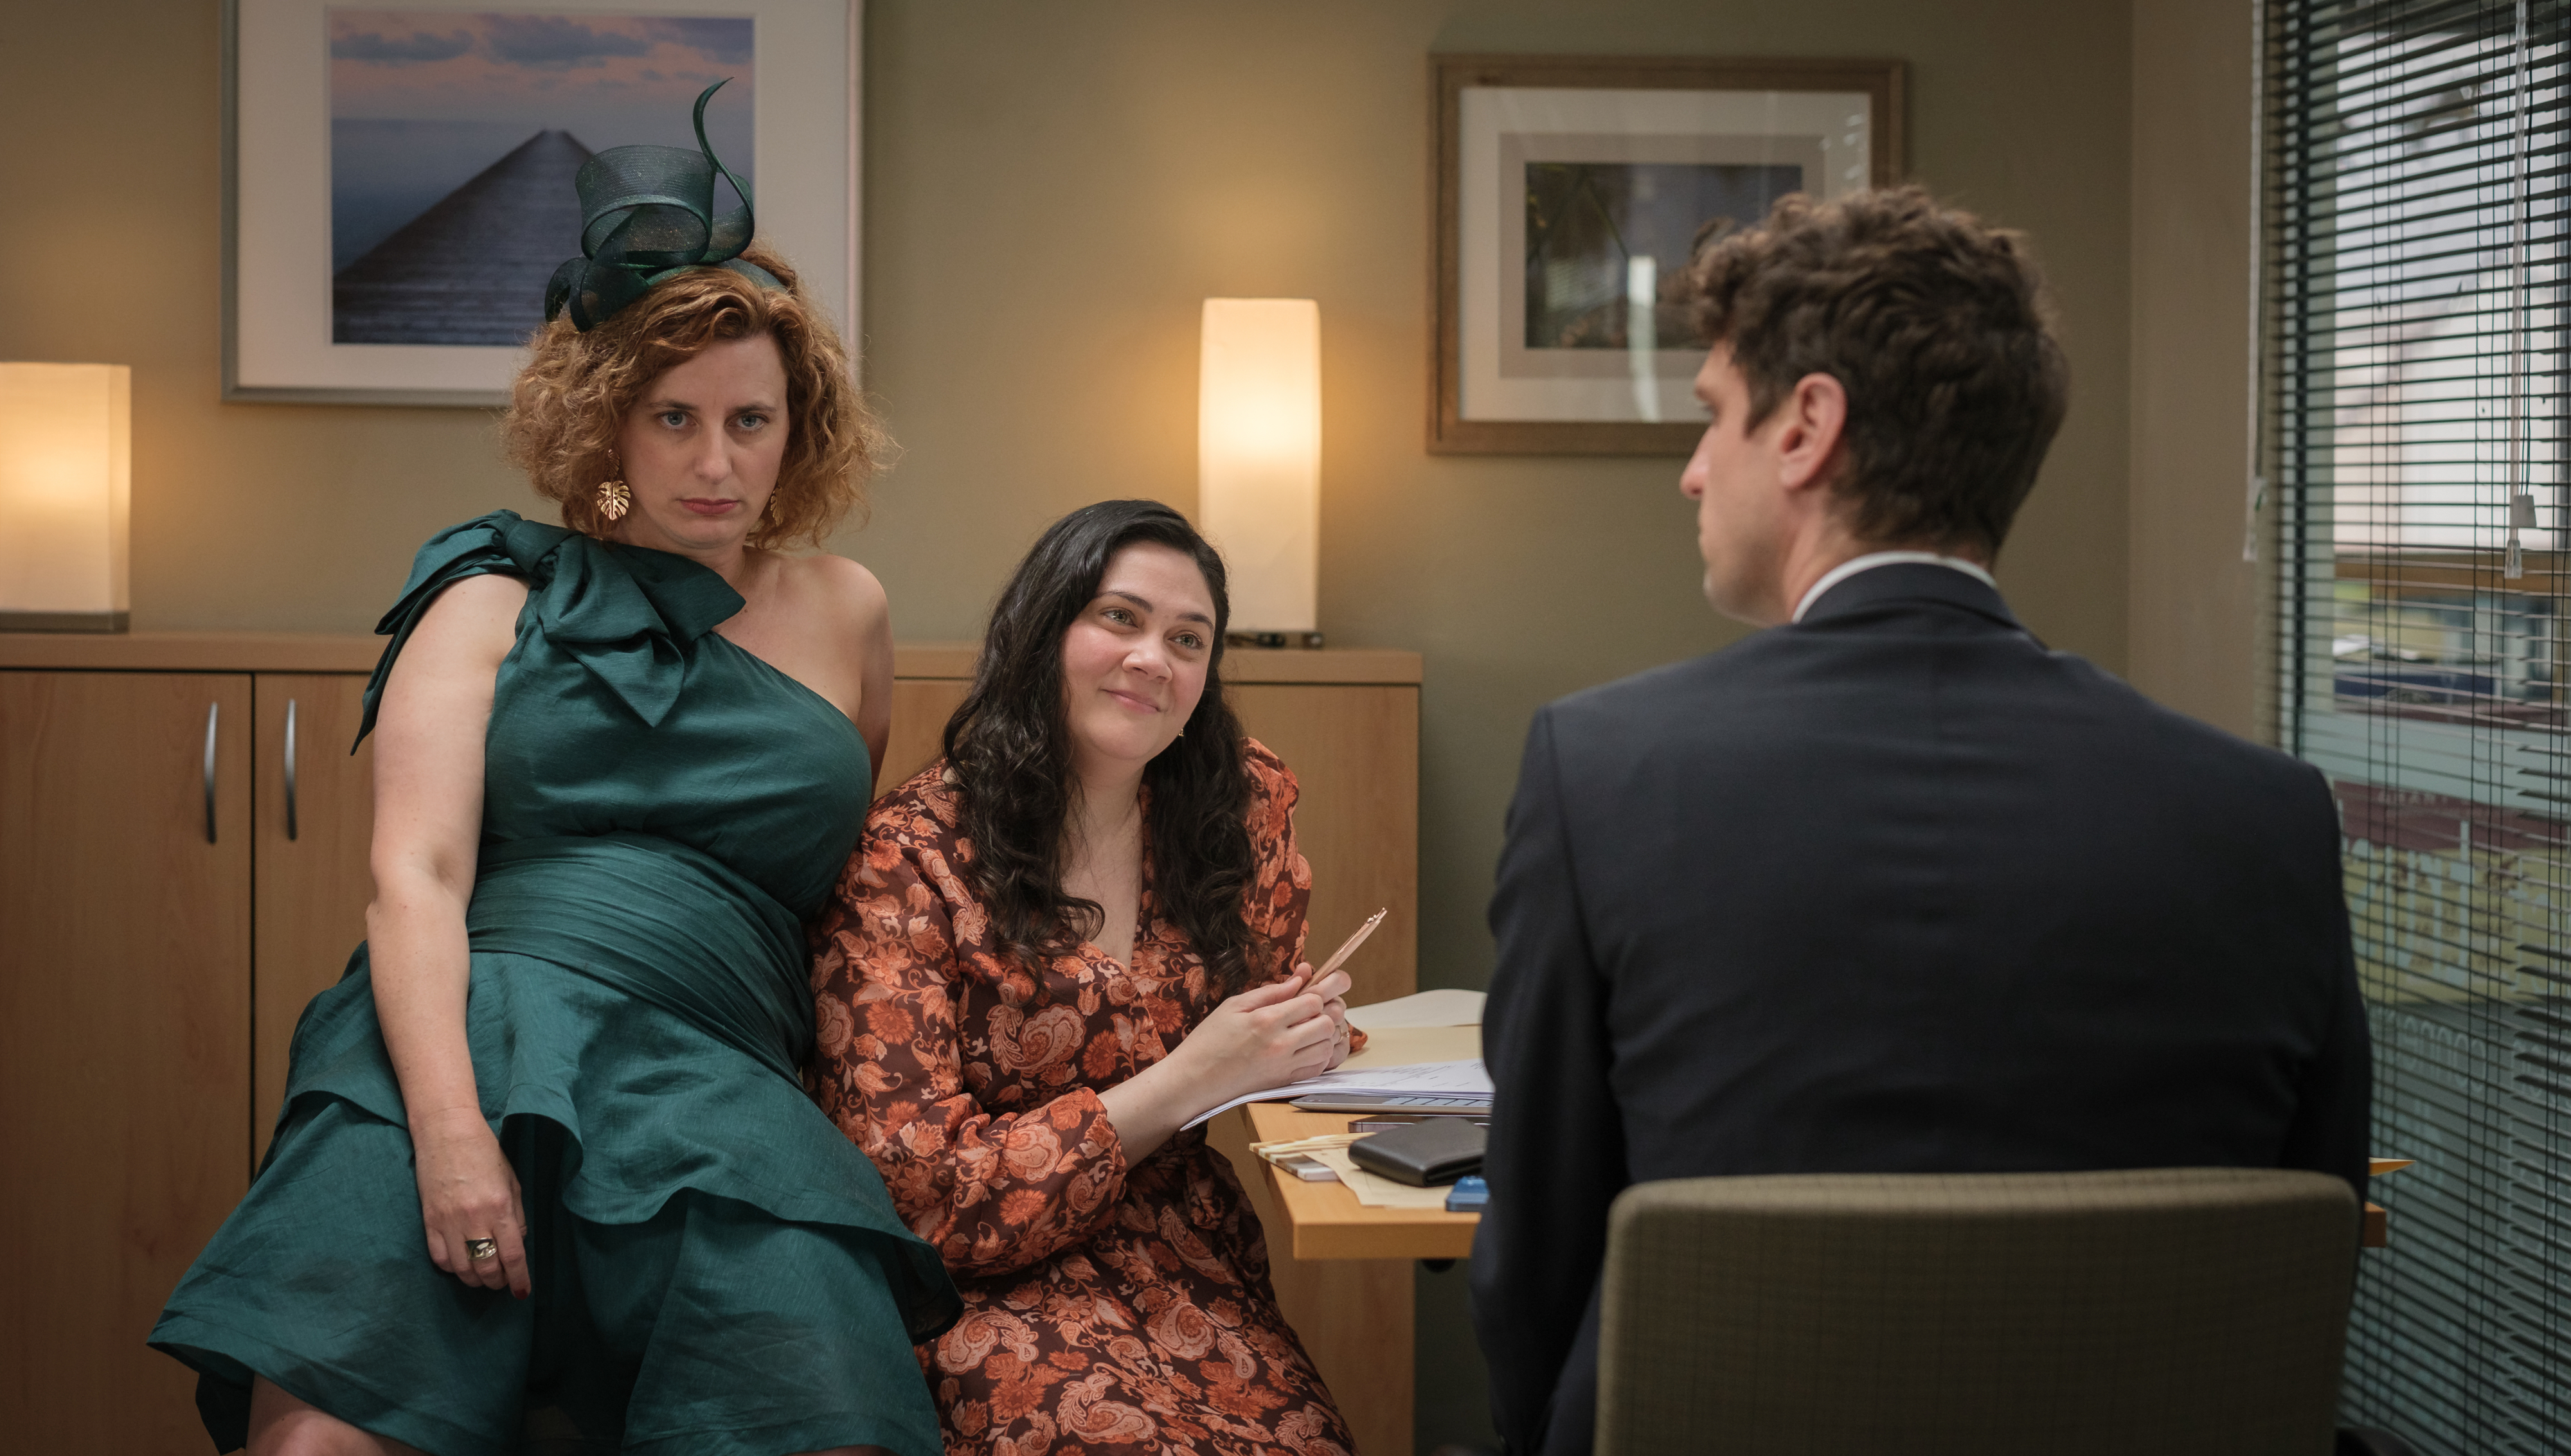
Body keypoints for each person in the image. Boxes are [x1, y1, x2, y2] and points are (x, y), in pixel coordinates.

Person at [1469, 186, 2372, 1456]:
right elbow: (2313, 1240)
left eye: (1711, 417)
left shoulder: (1600, 770)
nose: (1689, 469)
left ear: (1805, 428)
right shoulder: (2269, 815)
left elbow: (1536, 1249)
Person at [152, 85, 957, 1456]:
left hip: (717, 1078)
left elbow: (834, 887)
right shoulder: (487, 597)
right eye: (674, 416)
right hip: (461, 1036)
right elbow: (413, 873)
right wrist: (452, 1131)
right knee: (327, 1443)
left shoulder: (847, 610)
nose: (715, 461)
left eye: (750, 420)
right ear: (606, 425)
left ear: (797, 426)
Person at [808, 499, 1363, 1456]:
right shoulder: (913, 855)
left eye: (1189, 638)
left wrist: (1299, 1033)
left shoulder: (1240, 804)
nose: (1156, 657)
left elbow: (1264, 1002)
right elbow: (919, 1191)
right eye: (1121, 618)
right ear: (1044, 628)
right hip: (985, 1287)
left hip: (1188, 1252)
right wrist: (1194, 1075)